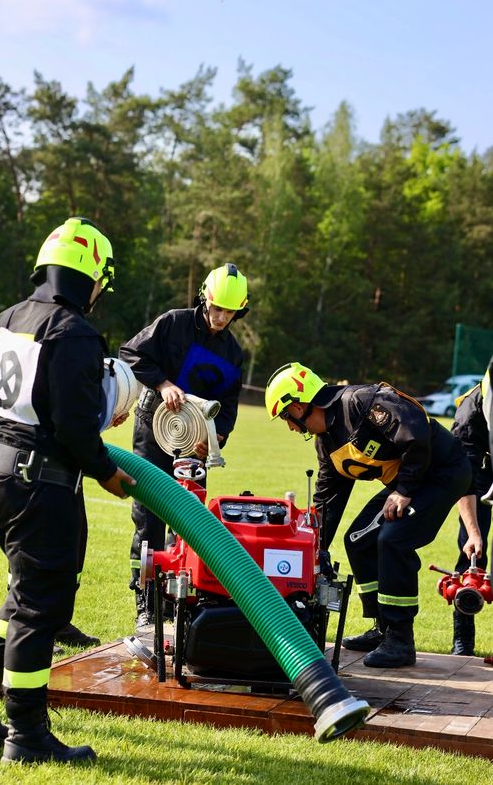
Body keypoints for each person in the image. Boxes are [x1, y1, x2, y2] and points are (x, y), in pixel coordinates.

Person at [0, 217, 134, 764]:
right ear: (91, 278)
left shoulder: (8, 318)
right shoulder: (73, 331)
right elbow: (75, 426)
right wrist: (106, 472)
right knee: (40, 609)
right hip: (39, 485)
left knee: (25, 594)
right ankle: (27, 733)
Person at [265, 363, 471, 668]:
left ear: (298, 406)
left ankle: (400, 640)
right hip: (409, 483)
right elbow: (327, 501)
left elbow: (415, 431)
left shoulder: (360, 402)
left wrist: (404, 489)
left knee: (393, 539)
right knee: (358, 540)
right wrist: (313, 547)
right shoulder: (327, 444)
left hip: (443, 471)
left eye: (286, 418)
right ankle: (383, 628)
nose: (291, 428)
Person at [119, 263, 247, 628]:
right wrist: (163, 384)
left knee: (187, 520)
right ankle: (145, 602)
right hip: (153, 428)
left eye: (229, 312)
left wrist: (216, 438)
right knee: (148, 516)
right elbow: (130, 353)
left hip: (194, 441)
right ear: (205, 298)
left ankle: (177, 600)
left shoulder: (233, 353)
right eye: (217, 308)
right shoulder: (172, 323)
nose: (221, 317)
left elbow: (228, 405)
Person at [449, 375, 491, 655]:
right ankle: (463, 639)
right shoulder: (470, 413)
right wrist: (474, 533)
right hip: (479, 474)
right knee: (472, 552)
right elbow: (464, 481)